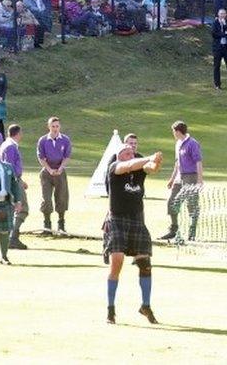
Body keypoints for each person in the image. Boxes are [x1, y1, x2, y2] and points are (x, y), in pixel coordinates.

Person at [103, 136, 162, 325]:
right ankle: (110, 309)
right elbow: (127, 166)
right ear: (119, 156)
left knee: (145, 264)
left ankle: (145, 305)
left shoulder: (139, 167)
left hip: (136, 219)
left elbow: (151, 169)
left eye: (132, 152)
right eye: (126, 152)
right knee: (117, 262)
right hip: (118, 219)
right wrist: (149, 157)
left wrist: (156, 161)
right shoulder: (114, 168)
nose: (130, 154)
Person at [160, 121, 203, 242]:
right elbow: (177, 163)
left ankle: (192, 231)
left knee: (192, 204)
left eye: (173, 131)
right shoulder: (178, 144)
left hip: (191, 176)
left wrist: (199, 180)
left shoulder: (192, 143)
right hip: (180, 176)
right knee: (172, 201)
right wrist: (172, 179)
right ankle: (173, 229)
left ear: (178, 131)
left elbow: (198, 162)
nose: (173, 134)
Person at [37, 117, 72, 234]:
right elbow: (41, 157)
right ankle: (47, 225)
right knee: (46, 198)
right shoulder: (43, 140)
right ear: (49, 127)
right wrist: (49, 169)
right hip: (47, 172)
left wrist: (61, 168)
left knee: (61, 197)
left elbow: (67, 156)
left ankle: (61, 224)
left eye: (57, 126)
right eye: (53, 126)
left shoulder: (65, 140)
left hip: (60, 171)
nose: (55, 129)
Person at [0, 124, 29, 250]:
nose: (22, 135)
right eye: (21, 132)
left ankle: (11, 237)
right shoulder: (11, 147)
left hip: (13, 180)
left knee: (14, 209)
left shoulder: (6, 145)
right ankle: (13, 237)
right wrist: (17, 181)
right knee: (22, 208)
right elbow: (9, 166)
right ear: (17, 133)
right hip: (13, 182)